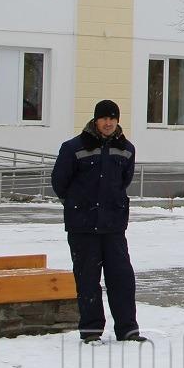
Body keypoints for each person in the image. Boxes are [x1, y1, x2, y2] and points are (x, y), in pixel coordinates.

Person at [52, 99, 144, 343]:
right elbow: (59, 182)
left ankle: (128, 330)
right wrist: (77, 204)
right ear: (95, 120)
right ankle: (91, 331)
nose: (108, 123)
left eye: (113, 118)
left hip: (113, 226)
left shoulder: (126, 149)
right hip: (83, 226)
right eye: (104, 118)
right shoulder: (73, 147)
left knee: (122, 278)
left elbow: (124, 181)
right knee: (88, 280)